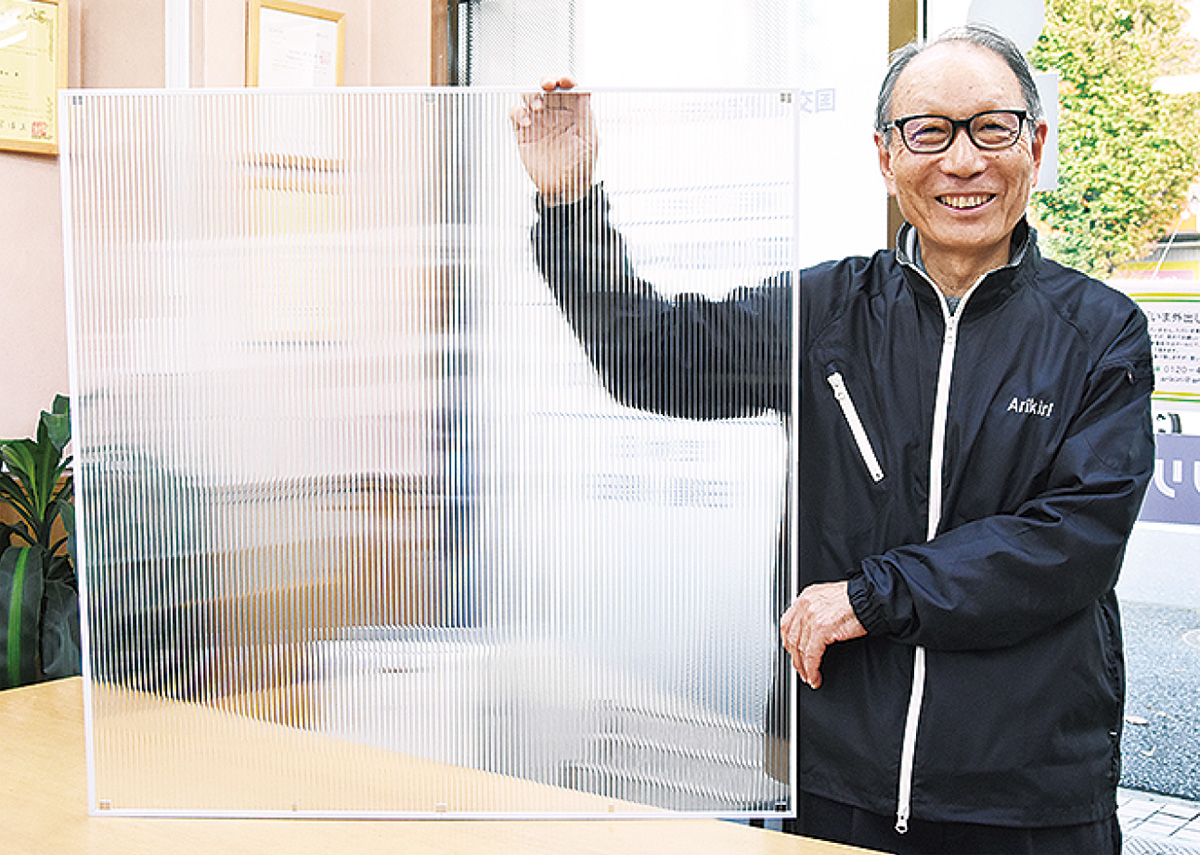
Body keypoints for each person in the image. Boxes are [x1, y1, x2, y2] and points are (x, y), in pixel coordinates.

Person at [510, 24, 1154, 855]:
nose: (963, 161)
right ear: (886, 157)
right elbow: (653, 357)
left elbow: (1074, 540)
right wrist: (569, 207)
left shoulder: (1099, 331)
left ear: (1033, 144)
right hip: (834, 779)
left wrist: (871, 594)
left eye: (992, 128)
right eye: (929, 132)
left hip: (1026, 794)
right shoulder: (827, 311)